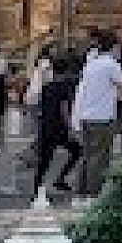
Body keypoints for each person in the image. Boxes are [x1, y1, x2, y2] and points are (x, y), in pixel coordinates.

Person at [73, 30, 122, 207]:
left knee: (87, 155)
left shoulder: (91, 64)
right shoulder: (111, 65)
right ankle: (93, 194)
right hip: (102, 118)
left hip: (86, 116)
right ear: (113, 47)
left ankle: (80, 193)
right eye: (119, 47)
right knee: (99, 157)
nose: (120, 51)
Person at [32, 53, 82, 199]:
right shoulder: (68, 86)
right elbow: (64, 107)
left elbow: (39, 107)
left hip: (46, 126)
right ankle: (61, 177)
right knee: (77, 151)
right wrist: (70, 127)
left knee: (44, 159)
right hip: (60, 127)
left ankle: (37, 188)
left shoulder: (47, 87)